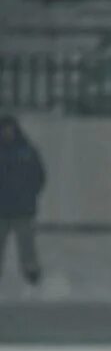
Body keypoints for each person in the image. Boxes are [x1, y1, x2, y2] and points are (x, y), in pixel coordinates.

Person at [0, 115, 46, 285]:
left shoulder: (27, 150)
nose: (7, 132)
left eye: (9, 128)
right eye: (4, 129)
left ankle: (31, 274)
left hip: (23, 208)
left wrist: (29, 194)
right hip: (2, 209)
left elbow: (39, 176)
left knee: (27, 245)